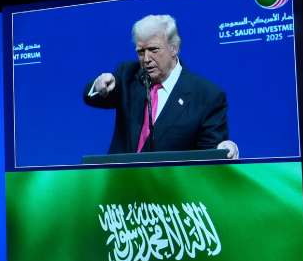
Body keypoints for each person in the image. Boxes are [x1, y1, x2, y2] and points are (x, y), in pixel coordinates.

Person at [84, 14, 238, 158]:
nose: (146, 59)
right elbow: (92, 97)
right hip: (121, 182)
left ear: (174, 48)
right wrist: (98, 86)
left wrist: (222, 150)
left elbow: (209, 155)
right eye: (140, 51)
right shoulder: (128, 75)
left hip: (171, 185)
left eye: (153, 49)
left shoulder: (207, 96)